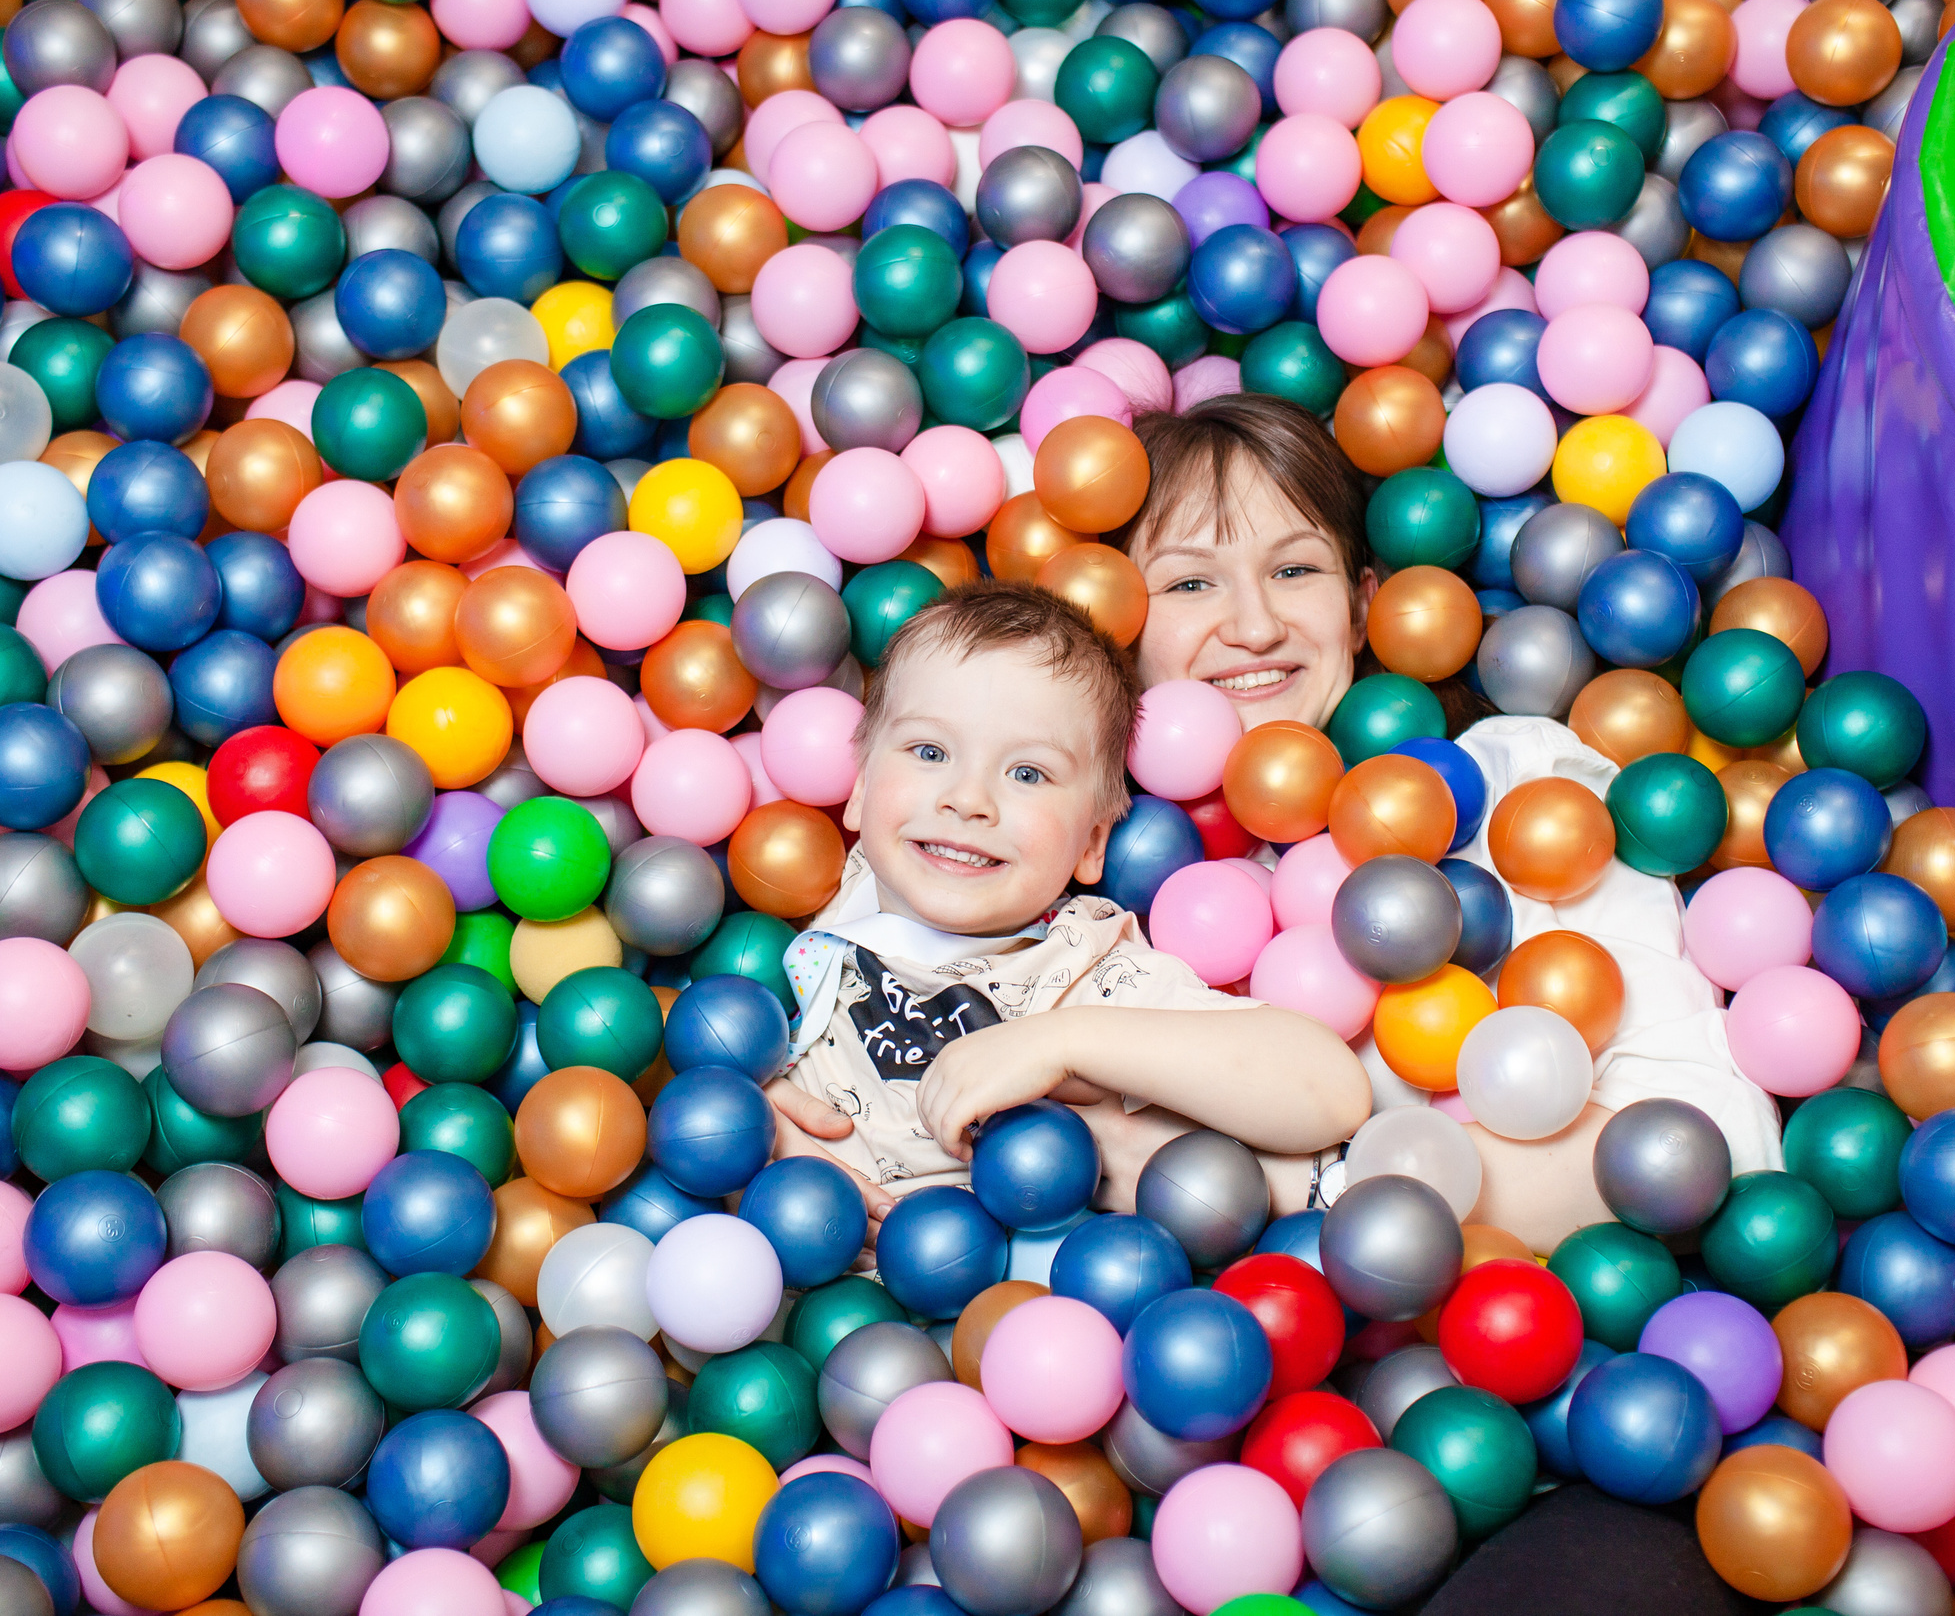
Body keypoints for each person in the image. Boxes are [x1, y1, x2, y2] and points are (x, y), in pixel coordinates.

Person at [1107, 393, 1782, 1252]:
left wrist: (1308, 1186)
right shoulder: (1081, 880)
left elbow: (1706, 1148)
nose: (1254, 625)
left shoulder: (1521, 789)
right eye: (1191, 582)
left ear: (1363, 607)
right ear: (1120, 625)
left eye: (1294, 570)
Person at [761, 580, 1373, 1229]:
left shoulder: (1089, 967)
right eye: (930, 751)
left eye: (1028, 773)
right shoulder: (832, 897)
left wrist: (1063, 1040)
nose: (968, 799)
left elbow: (1330, 1091)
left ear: (1092, 843)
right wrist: (755, 1114)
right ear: (858, 792)